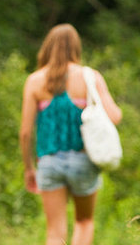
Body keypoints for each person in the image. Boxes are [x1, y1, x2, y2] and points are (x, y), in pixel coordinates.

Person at [19, 23, 122, 245]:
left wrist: (29, 168)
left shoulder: (35, 81)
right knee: (84, 222)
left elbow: (26, 132)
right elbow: (115, 116)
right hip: (83, 160)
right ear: (76, 47)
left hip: (48, 162)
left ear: (48, 48)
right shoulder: (90, 77)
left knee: (55, 234)